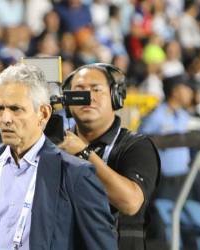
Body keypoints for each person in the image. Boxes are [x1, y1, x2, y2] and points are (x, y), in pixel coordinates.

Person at [0, 63, 117, 250]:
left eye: (16, 109)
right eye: (0, 109)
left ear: (44, 113)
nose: (5, 118)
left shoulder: (76, 175)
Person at [58, 63, 160, 250]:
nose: (88, 97)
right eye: (79, 90)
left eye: (96, 90)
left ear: (115, 96)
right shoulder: (56, 148)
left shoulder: (136, 146)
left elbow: (130, 203)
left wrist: (84, 154)